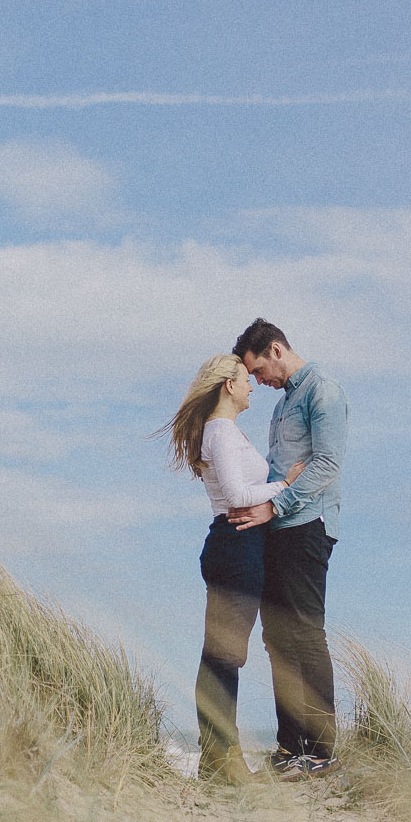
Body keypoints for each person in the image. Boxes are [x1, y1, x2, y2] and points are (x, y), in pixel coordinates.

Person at [156, 354, 304, 785]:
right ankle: (224, 760)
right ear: (228, 386)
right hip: (234, 546)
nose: (252, 386)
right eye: (245, 379)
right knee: (223, 657)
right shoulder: (220, 431)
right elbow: (239, 495)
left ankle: (217, 759)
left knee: (224, 656)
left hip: (239, 547)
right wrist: (287, 485)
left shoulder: (226, 432)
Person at [227, 319, 347, 781]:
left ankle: (321, 752)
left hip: (306, 526)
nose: (257, 382)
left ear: (276, 350)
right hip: (278, 526)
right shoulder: (285, 403)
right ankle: (289, 748)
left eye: (258, 371)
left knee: (305, 634)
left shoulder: (323, 391)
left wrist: (275, 506)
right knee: (276, 639)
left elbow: (327, 464)